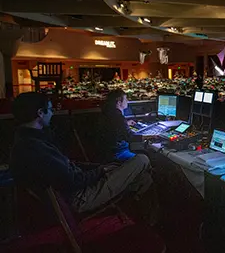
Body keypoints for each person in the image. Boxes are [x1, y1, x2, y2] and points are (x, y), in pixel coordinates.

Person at [9, 92, 153, 214]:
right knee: (142, 159)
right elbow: (73, 180)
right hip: (81, 197)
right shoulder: (36, 147)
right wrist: (100, 170)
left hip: (79, 188)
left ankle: (140, 215)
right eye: (50, 110)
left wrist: (99, 168)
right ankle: (149, 220)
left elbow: (68, 168)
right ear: (40, 113)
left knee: (144, 178)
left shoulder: (27, 141)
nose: (52, 114)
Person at [99, 89, 145, 163]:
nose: (127, 101)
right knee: (144, 160)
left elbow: (115, 126)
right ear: (119, 102)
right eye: (126, 99)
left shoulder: (109, 113)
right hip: (118, 153)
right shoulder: (118, 117)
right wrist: (150, 136)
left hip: (109, 151)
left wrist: (126, 123)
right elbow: (130, 137)